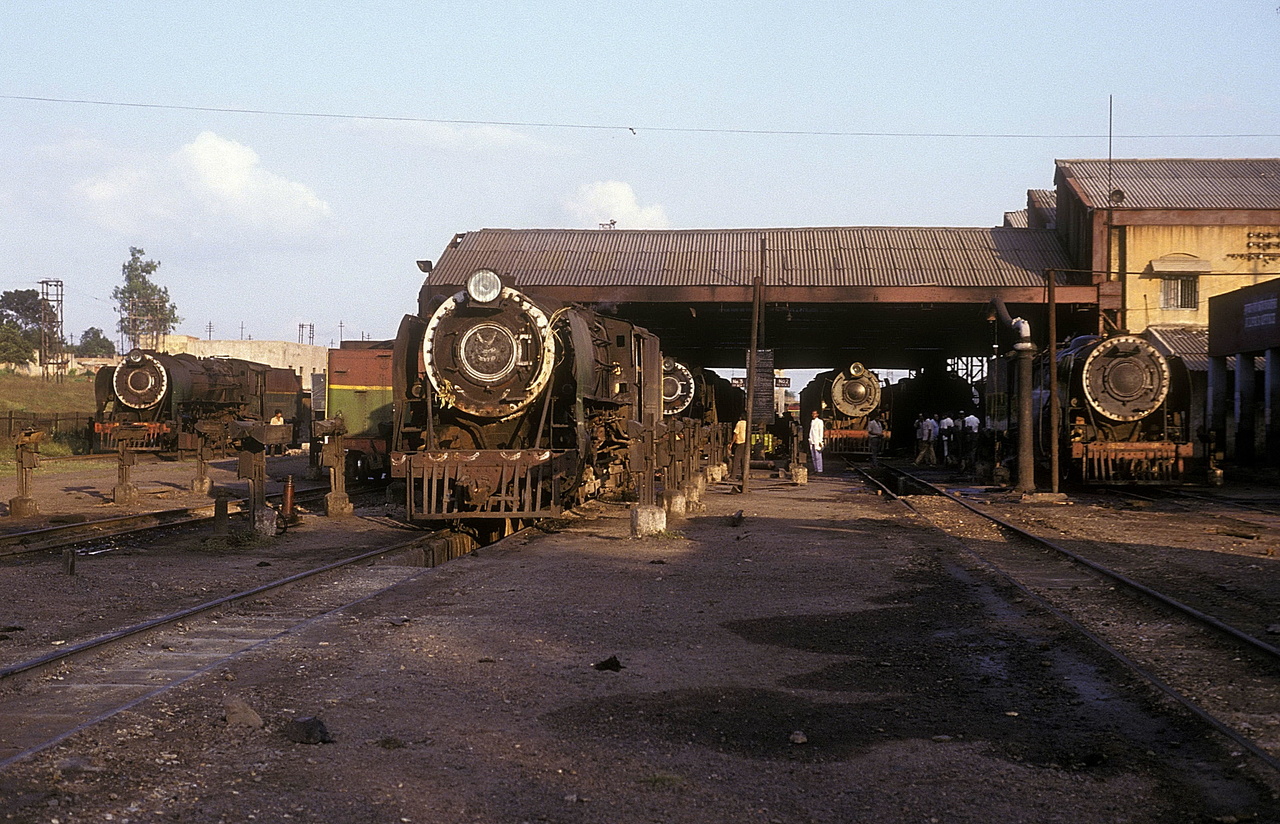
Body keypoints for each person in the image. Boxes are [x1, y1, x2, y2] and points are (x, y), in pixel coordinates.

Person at [808, 410, 825, 474]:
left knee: (818, 455)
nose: (813, 415)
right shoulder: (812, 422)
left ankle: (819, 469)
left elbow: (821, 431)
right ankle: (815, 468)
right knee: (813, 456)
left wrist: (820, 440)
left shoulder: (820, 422)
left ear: (817, 414)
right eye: (812, 414)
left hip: (817, 440)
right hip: (812, 440)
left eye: (815, 414)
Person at [731, 415, 748, 480]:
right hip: (745, 443)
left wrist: (732, 443)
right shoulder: (747, 423)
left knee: (736, 460)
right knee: (743, 460)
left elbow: (736, 433)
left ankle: (733, 476)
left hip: (740, 442)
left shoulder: (739, 423)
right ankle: (744, 475)